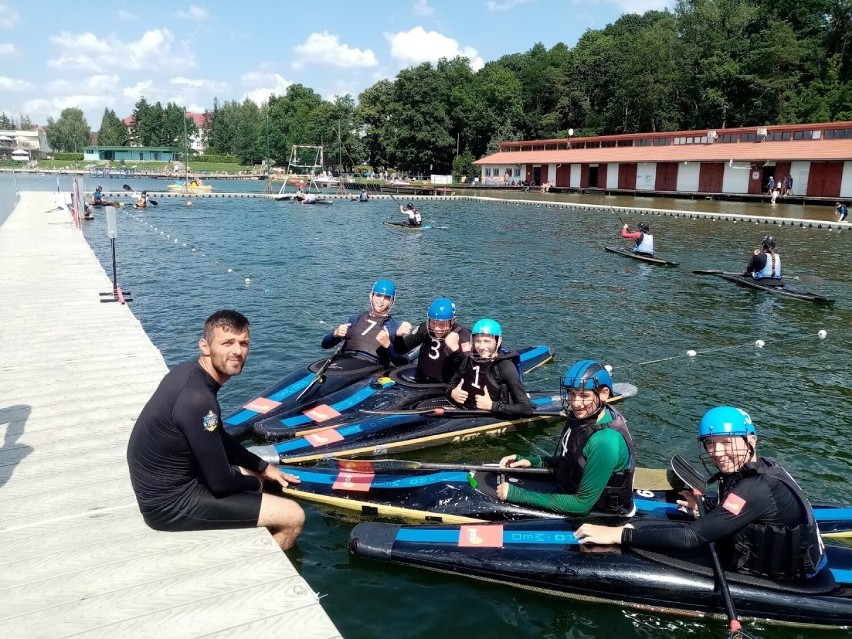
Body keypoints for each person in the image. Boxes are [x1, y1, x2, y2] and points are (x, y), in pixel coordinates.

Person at [575, 406, 829, 585]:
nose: (716, 452)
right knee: (648, 527)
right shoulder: (763, 467)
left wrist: (618, 534)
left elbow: (691, 537)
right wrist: (707, 506)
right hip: (777, 558)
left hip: (782, 577)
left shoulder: (757, 489)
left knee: (645, 532)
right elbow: (745, 507)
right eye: (710, 443)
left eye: (726, 442)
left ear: (750, 440)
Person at [126, 310, 305, 551]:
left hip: (165, 485)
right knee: (293, 516)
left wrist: (263, 466)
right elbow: (220, 482)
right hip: (168, 505)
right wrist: (257, 482)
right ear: (205, 346)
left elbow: (219, 436)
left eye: (243, 343)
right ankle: (259, 568)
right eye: (227, 343)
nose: (237, 351)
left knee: (252, 474)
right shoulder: (198, 400)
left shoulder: (189, 374)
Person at [496, 360, 635, 516]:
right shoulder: (585, 417)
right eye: (572, 393)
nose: (576, 403)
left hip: (602, 513)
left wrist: (516, 494)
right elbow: (571, 459)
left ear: (603, 393)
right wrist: (532, 461)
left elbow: (581, 505)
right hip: (570, 488)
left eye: (584, 395)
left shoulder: (605, 441)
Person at [447, 319, 532, 417]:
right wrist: (452, 393)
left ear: (498, 341)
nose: (482, 346)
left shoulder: (505, 367)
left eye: (487, 341)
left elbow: (526, 408)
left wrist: (492, 406)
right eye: (478, 341)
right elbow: (450, 385)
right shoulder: (468, 361)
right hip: (467, 410)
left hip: (493, 413)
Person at [321, 279, 410, 367]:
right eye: (378, 295)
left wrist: (388, 345)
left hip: (370, 368)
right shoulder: (355, 319)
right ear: (371, 296)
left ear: (392, 301)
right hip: (344, 360)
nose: (381, 301)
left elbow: (405, 362)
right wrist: (335, 334)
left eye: (387, 297)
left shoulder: (393, 327)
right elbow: (325, 345)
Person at [393, 297, 471, 384]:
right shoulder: (425, 329)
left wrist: (456, 350)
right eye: (433, 323)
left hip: (445, 386)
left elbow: (470, 369)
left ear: (452, 321)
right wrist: (398, 336)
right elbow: (400, 350)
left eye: (442, 324)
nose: (437, 328)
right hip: (420, 379)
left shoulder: (463, 335)